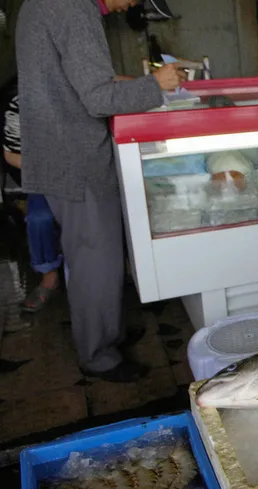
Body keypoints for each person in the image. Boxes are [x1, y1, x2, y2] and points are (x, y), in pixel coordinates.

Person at [16, 0, 185, 383]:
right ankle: (99, 356)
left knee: (97, 255)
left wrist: (124, 82)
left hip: (56, 150)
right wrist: (154, 86)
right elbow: (97, 99)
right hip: (76, 157)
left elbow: (68, 79)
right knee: (96, 261)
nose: (132, 4)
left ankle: (109, 333)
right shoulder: (74, 9)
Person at [2, 82, 63, 313]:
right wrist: (50, 172)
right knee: (39, 218)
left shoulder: (82, 88)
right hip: (44, 176)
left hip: (86, 174)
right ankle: (49, 276)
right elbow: (11, 155)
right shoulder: (20, 103)